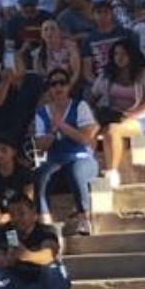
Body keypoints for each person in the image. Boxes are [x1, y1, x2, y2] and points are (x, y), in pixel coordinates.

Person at [32, 68, 100, 236]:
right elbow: (41, 146)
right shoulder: (42, 113)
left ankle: (84, 217)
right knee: (41, 174)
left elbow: (85, 138)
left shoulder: (80, 106)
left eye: (62, 82)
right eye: (53, 84)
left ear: (68, 86)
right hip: (56, 160)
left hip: (81, 157)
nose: (58, 87)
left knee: (76, 171)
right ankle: (45, 220)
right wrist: (53, 132)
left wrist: (61, 125)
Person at [88, 38, 145, 185]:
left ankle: (112, 172)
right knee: (90, 128)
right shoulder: (107, 75)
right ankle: (87, 167)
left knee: (112, 130)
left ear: (131, 55)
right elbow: (93, 96)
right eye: (116, 54)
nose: (119, 58)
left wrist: (132, 114)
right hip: (112, 115)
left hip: (137, 118)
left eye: (123, 54)